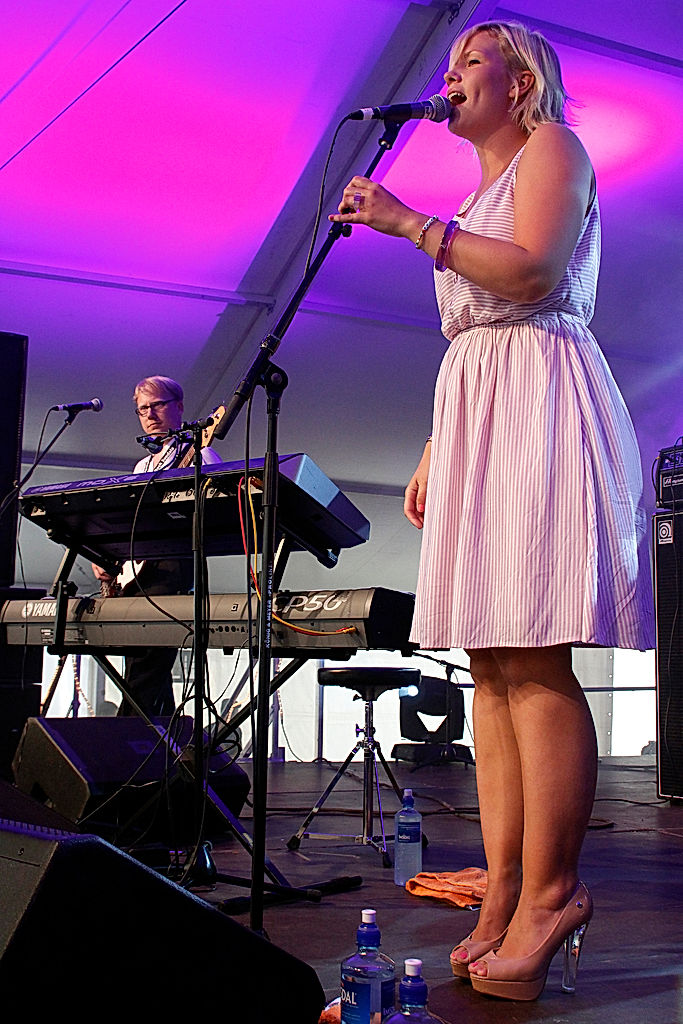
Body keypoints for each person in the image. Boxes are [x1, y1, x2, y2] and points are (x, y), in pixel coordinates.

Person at [330, 20, 654, 1002]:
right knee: (490, 663)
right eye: (448, 64)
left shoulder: (553, 145)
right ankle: (504, 886)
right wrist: (438, 443)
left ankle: (552, 894)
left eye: (469, 60)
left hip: (541, 400)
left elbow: (532, 276)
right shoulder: (476, 194)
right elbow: (474, 325)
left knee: (534, 653)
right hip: (480, 404)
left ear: (519, 83)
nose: (449, 76)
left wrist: (409, 223)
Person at [93, 375, 222, 718]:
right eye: (142, 409)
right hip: (137, 574)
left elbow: (214, 515)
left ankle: (123, 736)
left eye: (157, 405)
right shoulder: (142, 466)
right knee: (148, 669)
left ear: (178, 406)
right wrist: (108, 557)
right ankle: (161, 738)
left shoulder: (202, 454)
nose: (149, 414)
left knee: (146, 667)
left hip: (172, 568)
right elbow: (132, 525)